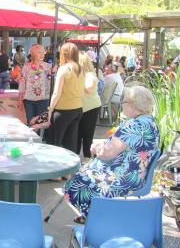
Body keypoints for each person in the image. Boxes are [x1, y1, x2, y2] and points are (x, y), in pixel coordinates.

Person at [63, 86, 160, 223]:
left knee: (75, 184)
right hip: (137, 175)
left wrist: (97, 148)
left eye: (124, 102)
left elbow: (107, 153)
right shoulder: (150, 122)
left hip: (123, 178)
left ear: (133, 105)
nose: (122, 105)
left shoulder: (133, 125)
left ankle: (96, 218)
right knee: (84, 175)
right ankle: (94, 214)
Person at [48, 42, 85, 154]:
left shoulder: (63, 69)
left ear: (64, 54)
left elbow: (56, 94)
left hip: (63, 110)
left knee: (54, 143)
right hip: (77, 108)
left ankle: (55, 169)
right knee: (70, 144)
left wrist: (50, 110)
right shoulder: (81, 69)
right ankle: (70, 169)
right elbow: (82, 91)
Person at [18, 44, 53, 123]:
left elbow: (53, 78)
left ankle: (40, 136)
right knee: (31, 122)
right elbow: (22, 83)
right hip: (28, 100)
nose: (42, 54)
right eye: (39, 52)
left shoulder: (48, 66)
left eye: (43, 52)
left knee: (41, 123)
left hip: (43, 99)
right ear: (33, 54)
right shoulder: (26, 66)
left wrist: (53, 72)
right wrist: (20, 99)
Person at [76, 53, 101, 161]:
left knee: (87, 133)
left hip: (91, 107)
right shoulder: (77, 75)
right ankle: (75, 156)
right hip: (80, 107)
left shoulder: (90, 75)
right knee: (76, 133)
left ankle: (87, 157)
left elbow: (89, 89)